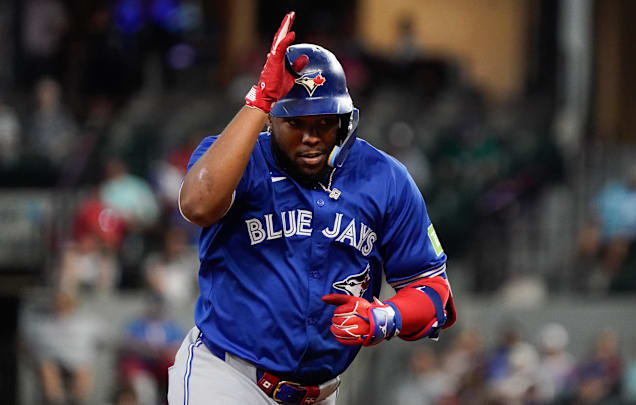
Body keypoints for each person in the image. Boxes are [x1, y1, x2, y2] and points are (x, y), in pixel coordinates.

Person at [168, 12, 455, 405]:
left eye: (324, 122)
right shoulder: (242, 157)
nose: (311, 137)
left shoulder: (385, 178)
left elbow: (433, 292)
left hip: (320, 394)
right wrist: (259, 98)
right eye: (297, 123)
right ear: (272, 118)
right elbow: (197, 206)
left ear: (345, 119)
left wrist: (383, 318)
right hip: (226, 377)